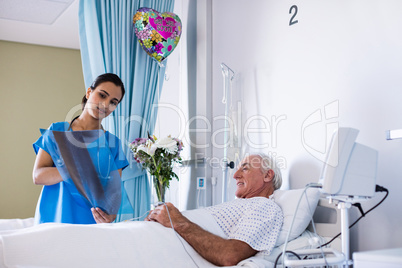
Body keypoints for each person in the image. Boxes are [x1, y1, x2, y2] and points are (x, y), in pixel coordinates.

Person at [146, 153, 284, 267]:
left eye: (245, 169)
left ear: (267, 175)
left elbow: (229, 255)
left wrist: (177, 221)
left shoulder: (265, 206)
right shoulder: (244, 205)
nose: (235, 175)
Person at [32, 73, 129, 224]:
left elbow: (113, 194)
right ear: (89, 92)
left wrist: (111, 215)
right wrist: (76, 170)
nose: (105, 104)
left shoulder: (113, 143)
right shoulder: (57, 131)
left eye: (113, 102)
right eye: (102, 95)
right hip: (53, 221)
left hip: (91, 224)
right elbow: (38, 176)